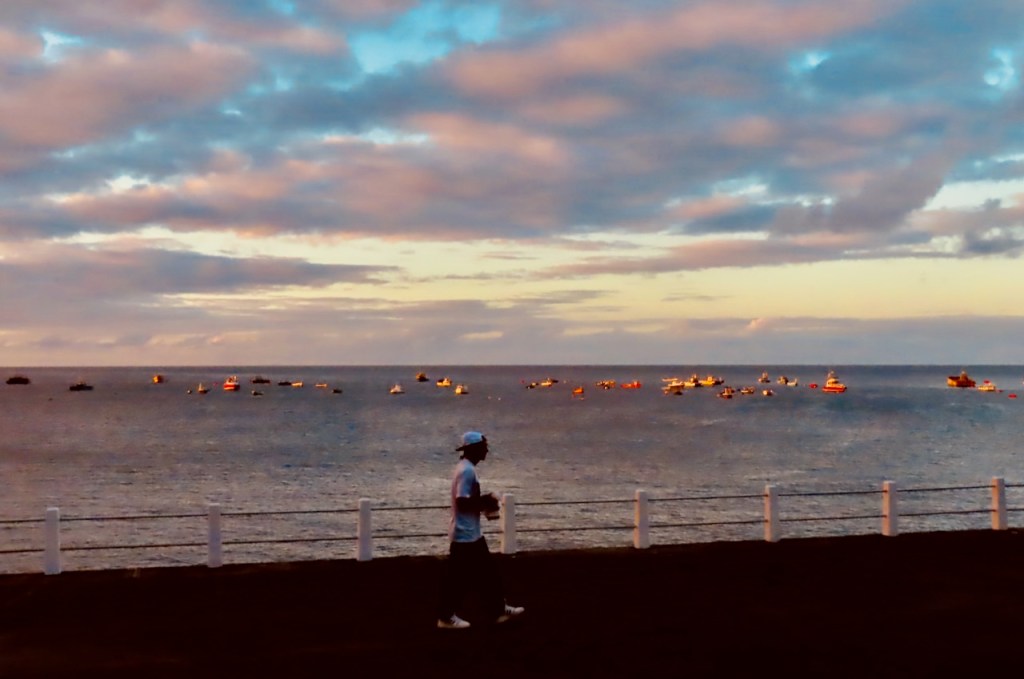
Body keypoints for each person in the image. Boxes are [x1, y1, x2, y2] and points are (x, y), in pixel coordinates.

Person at [436, 431, 525, 630]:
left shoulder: (464, 468)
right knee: (461, 578)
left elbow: (465, 500)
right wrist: (485, 502)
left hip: (469, 533)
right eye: (484, 446)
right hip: (465, 534)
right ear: (474, 448)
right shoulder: (467, 471)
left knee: (486, 574)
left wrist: (483, 502)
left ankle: (497, 611)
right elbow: (462, 501)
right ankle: (446, 617)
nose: (486, 450)